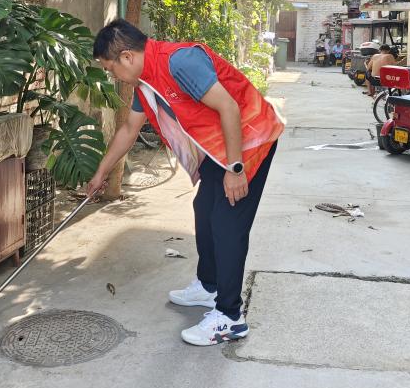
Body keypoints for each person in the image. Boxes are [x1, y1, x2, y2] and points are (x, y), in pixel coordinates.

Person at [86, 20, 284, 346]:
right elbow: (129, 130)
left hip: (250, 139)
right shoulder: (145, 84)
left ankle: (230, 318)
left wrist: (236, 169)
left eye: (111, 69)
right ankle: (209, 286)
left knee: (227, 223)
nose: (113, 76)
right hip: (219, 148)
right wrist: (100, 173)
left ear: (127, 57)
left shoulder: (180, 62)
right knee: (204, 209)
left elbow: (229, 107)